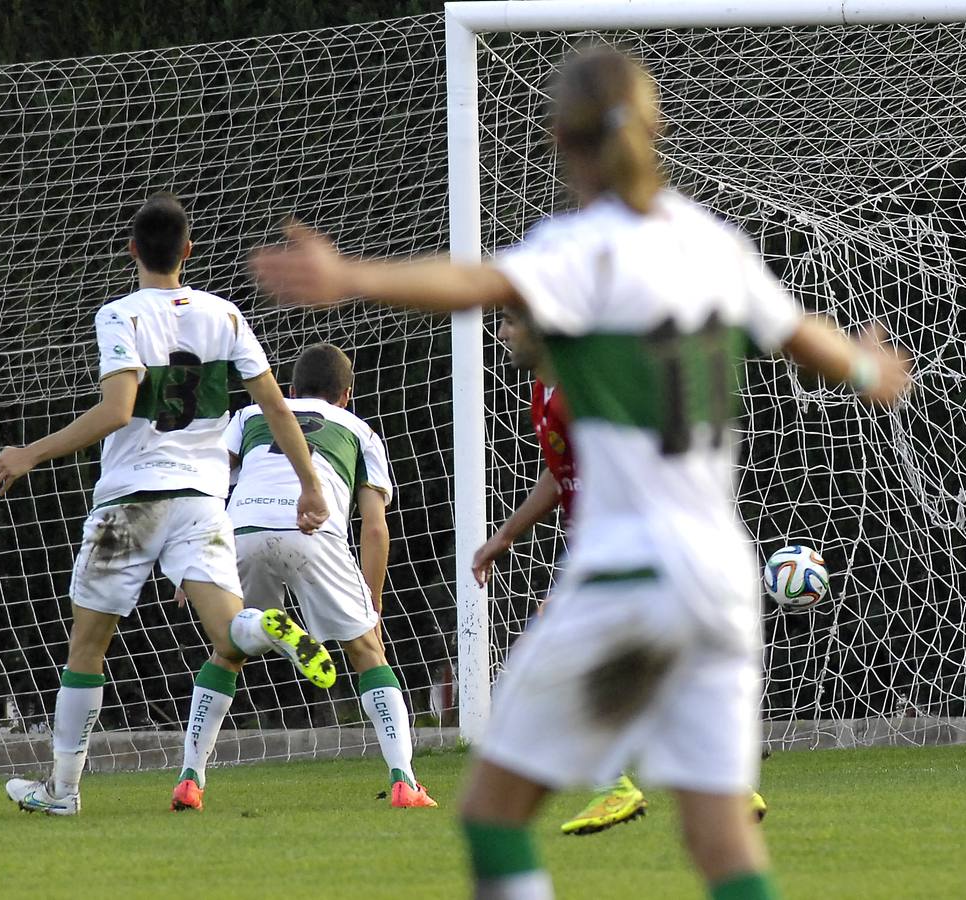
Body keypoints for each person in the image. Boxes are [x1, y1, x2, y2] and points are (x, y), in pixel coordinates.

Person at [254, 44, 908, 900]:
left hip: (629, 571)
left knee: (492, 813)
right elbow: (810, 343)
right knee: (719, 839)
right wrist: (867, 371)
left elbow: (478, 283)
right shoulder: (715, 244)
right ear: (655, 129)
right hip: (722, 576)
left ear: (562, 141)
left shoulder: (588, 248)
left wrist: (351, 276)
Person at [0, 193, 335, 816]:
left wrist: (30, 452)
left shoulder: (121, 315)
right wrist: (310, 484)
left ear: (133, 250)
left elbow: (117, 409)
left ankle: (62, 790)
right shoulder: (225, 315)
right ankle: (267, 625)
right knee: (228, 631)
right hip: (201, 499)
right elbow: (276, 408)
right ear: (188, 250)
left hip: (131, 502)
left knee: (88, 646)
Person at [471, 311, 767, 835]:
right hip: (604, 549)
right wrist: (505, 536)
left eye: (512, 323)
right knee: (643, 674)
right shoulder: (545, 392)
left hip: (629, 548)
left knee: (556, 662)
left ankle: (615, 789)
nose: (503, 333)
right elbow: (557, 474)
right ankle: (726, 790)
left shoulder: (587, 391)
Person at [179, 341, 433, 809]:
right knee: (367, 651)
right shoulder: (360, 431)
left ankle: (190, 780)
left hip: (243, 529)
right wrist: (372, 602)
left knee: (229, 649)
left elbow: (206, 484)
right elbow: (374, 527)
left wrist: (193, 560)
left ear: (291, 389)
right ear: (347, 395)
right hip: (312, 530)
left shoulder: (249, 416)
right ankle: (404, 780)